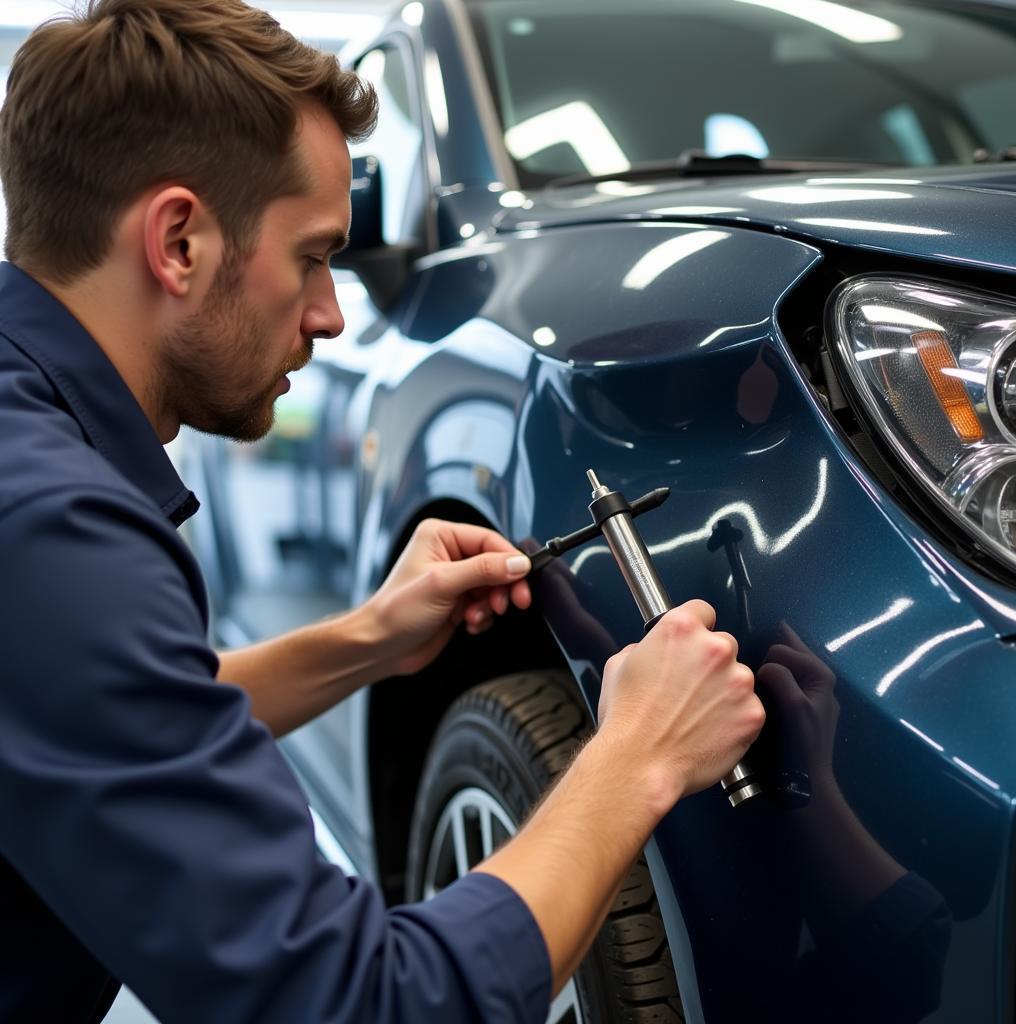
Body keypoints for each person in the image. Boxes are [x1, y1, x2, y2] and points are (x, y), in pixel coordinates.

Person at [0, 2, 765, 1021]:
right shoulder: (52, 525)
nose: (327, 312)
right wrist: (636, 754)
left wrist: (367, 640)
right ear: (178, 241)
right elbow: (350, 999)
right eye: (312, 255)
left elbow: (108, 717)